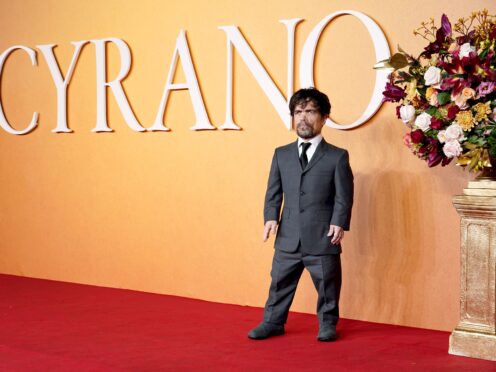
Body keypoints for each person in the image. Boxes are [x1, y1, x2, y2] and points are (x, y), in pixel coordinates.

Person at [248, 87, 354, 342]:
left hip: (322, 236)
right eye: (298, 112)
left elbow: (344, 195)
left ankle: (327, 324)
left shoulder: (337, 157)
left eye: (310, 111)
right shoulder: (281, 154)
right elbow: (273, 191)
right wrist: (271, 217)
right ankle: (272, 322)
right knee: (279, 283)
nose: (303, 118)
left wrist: (339, 222)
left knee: (327, 285)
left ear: (324, 117)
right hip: (288, 235)